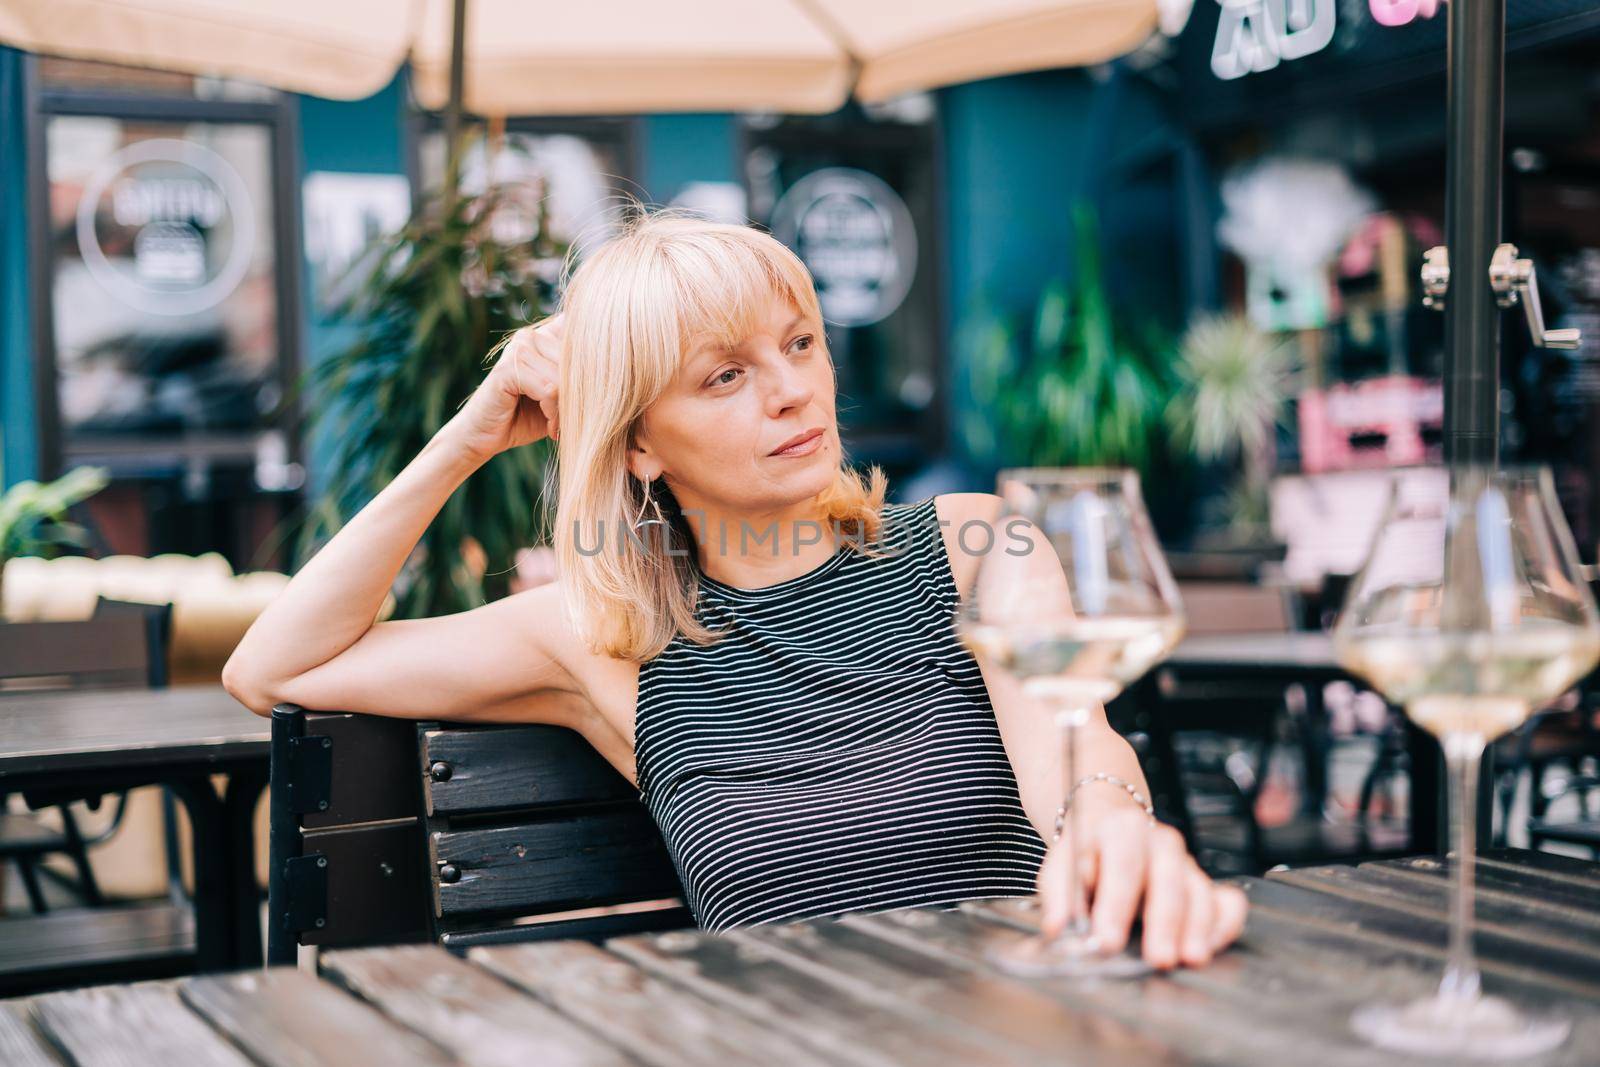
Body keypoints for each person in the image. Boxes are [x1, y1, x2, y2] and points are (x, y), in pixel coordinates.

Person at [223, 208, 1246, 968]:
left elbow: (1072, 746)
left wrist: (1114, 827)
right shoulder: (604, 637)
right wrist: (470, 435)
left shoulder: (975, 542)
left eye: (797, 343)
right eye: (724, 375)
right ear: (636, 444)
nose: (793, 387)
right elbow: (274, 664)